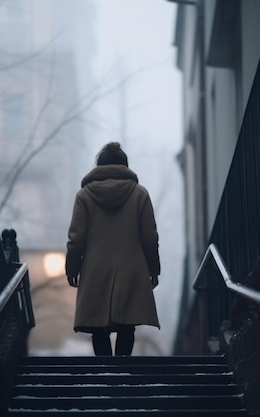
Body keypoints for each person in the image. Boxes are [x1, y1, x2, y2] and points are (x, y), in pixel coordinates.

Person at [65, 142, 160, 356]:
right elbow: (150, 237)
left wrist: (72, 270)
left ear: (99, 166)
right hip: (132, 268)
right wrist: (153, 270)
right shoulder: (140, 195)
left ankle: (104, 374)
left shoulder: (84, 196)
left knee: (98, 327)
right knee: (128, 325)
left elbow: (76, 239)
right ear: (125, 166)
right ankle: (122, 373)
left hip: (95, 269)